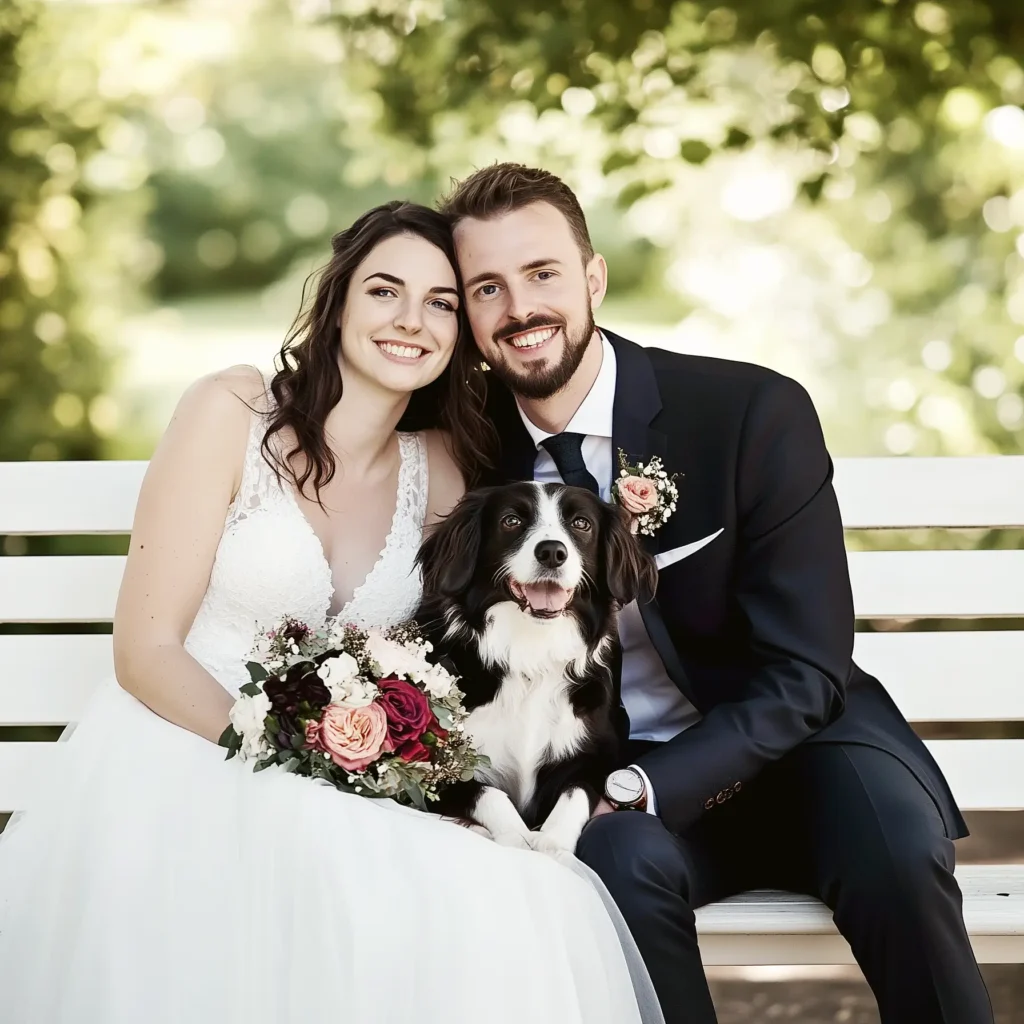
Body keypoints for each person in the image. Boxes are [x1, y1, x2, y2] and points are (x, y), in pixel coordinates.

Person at [0, 201, 655, 1024]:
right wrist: (303, 761)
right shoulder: (231, 410)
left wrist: (390, 759)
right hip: (186, 750)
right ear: (340, 299)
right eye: (385, 291)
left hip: (348, 776)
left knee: (516, 887)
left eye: (443, 303)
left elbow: (450, 654)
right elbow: (145, 651)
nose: (411, 321)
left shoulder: (445, 470)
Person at [440, 163, 995, 1024]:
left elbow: (809, 670)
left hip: (805, 748)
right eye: (488, 287)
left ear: (593, 278)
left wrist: (641, 788)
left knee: (894, 849)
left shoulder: (748, 411)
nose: (521, 308)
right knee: (615, 867)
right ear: (469, 313)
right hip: (611, 777)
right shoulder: (469, 458)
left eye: (543, 273)